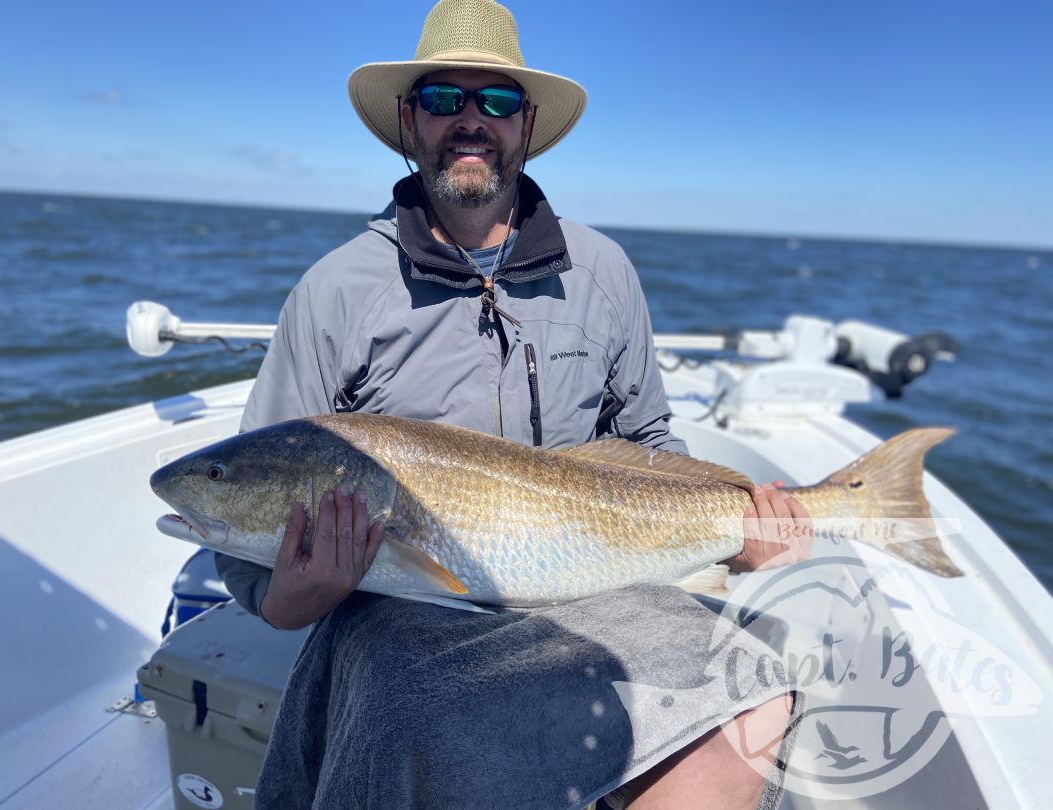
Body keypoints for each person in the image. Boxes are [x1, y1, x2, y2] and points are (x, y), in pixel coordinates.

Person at [216, 1, 812, 807]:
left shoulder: (603, 270)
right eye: (442, 100)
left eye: (495, 101)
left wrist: (734, 538)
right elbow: (256, 509)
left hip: (605, 582)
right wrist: (295, 597)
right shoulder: (335, 291)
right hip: (404, 601)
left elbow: (646, 441)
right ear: (408, 119)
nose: (469, 121)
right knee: (413, 722)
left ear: (526, 125)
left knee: (752, 694)